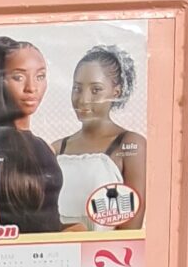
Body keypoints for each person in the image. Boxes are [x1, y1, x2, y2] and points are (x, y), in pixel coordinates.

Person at [0, 36, 64, 232]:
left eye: (40, 76)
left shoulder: (46, 147)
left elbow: (49, 221)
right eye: (19, 77)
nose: (32, 88)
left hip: (53, 251)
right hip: (12, 252)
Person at [54, 45, 147, 230]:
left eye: (95, 90)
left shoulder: (129, 144)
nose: (83, 99)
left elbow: (130, 231)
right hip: (59, 249)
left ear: (116, 92)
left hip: (108, 249)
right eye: (77, 88)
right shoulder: (56, 149)